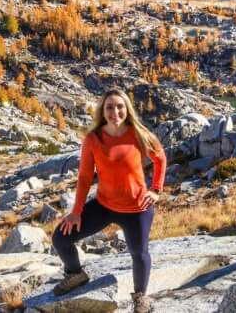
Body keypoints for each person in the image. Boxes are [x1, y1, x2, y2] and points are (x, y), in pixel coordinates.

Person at [51, 88, 166, 313]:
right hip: (104, 206)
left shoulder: (138, 134)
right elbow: (84, 178)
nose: (115, 112)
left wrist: (156, 190)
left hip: (137, 209)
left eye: (120, 106)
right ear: (103, 111)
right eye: (110, 107)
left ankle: (141, 297)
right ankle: (76, 274)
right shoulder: (93, 139)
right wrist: (76, 211)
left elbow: (160, 159)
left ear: (127, 109)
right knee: (60, 238)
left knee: (139, 253)